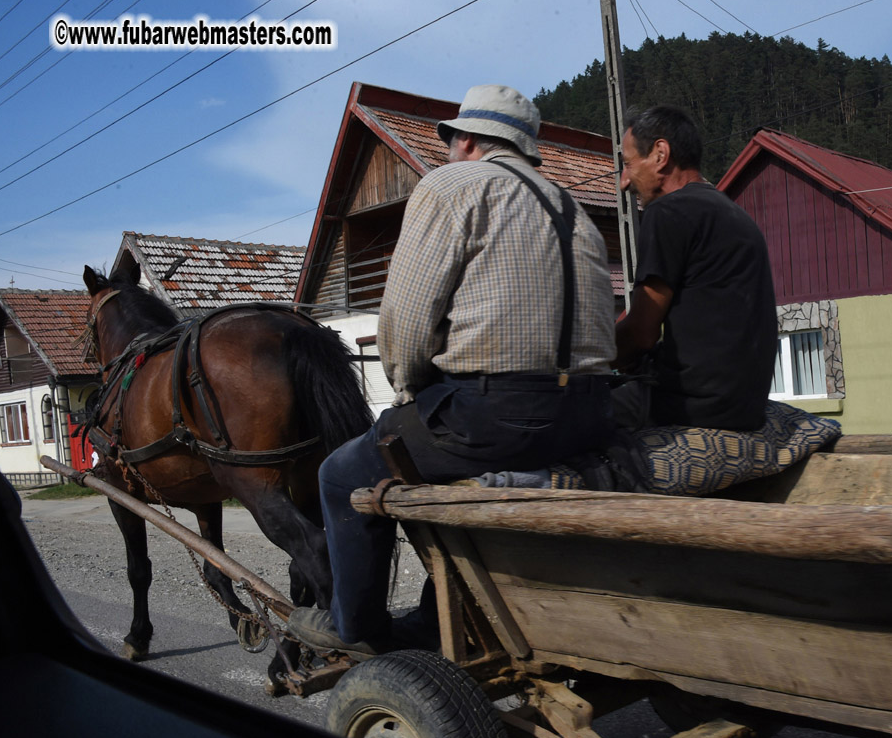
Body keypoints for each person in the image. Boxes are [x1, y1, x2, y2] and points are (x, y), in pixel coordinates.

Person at [289, 84, 617, 657]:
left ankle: (355, 629)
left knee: (341, 476)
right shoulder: (572, 207)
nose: (446, 151)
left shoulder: (451, 187)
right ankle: (444, 607)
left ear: (466, 140)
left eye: (450, 140)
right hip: (591, 414)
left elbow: (406, 323)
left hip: (496, 416)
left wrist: (410, 389)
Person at [614, 105, 777, 431]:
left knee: (570, 417)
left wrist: (586, 359)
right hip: (745, 405)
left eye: (628, 164)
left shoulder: (668, 213)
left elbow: (641, 333)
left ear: (661, 154)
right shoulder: (734, 215)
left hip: (693, 407)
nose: (624, 181)